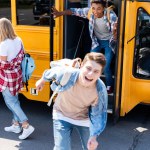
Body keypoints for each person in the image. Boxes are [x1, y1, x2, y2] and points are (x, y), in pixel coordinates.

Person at [36, 52, 108, 150]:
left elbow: (98, 114)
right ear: (82, 66)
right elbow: (51, 72)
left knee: (90, 147)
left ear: (100, 74)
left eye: (96, 71)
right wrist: (41, 81)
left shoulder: (100, 90)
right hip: (62, 114)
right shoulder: (68, 73)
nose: (90, 74)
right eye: (88, 68)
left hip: (84, 120)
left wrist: (93, 136)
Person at [52, 0, 118, 94]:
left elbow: (116, 33)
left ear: (104, 8)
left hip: (109, 42)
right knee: (89, 63)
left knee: (106, 66)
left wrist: (115, 33)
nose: (95, 11)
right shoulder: (89, 12)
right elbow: (74, 11)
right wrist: (60, 13)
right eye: (94, 8)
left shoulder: (110, 15)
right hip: (97, 42)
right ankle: (88, 83)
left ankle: (109, 85)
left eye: (99, 8)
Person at [0, 18, 34, 140]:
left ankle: (25, 125)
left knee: (11, 102)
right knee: (15, 100)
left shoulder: (3, 44)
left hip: (7, 77)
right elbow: (22, 56)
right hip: (17, 74)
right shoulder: (18, 39)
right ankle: (16, 125)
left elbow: (3, 65)